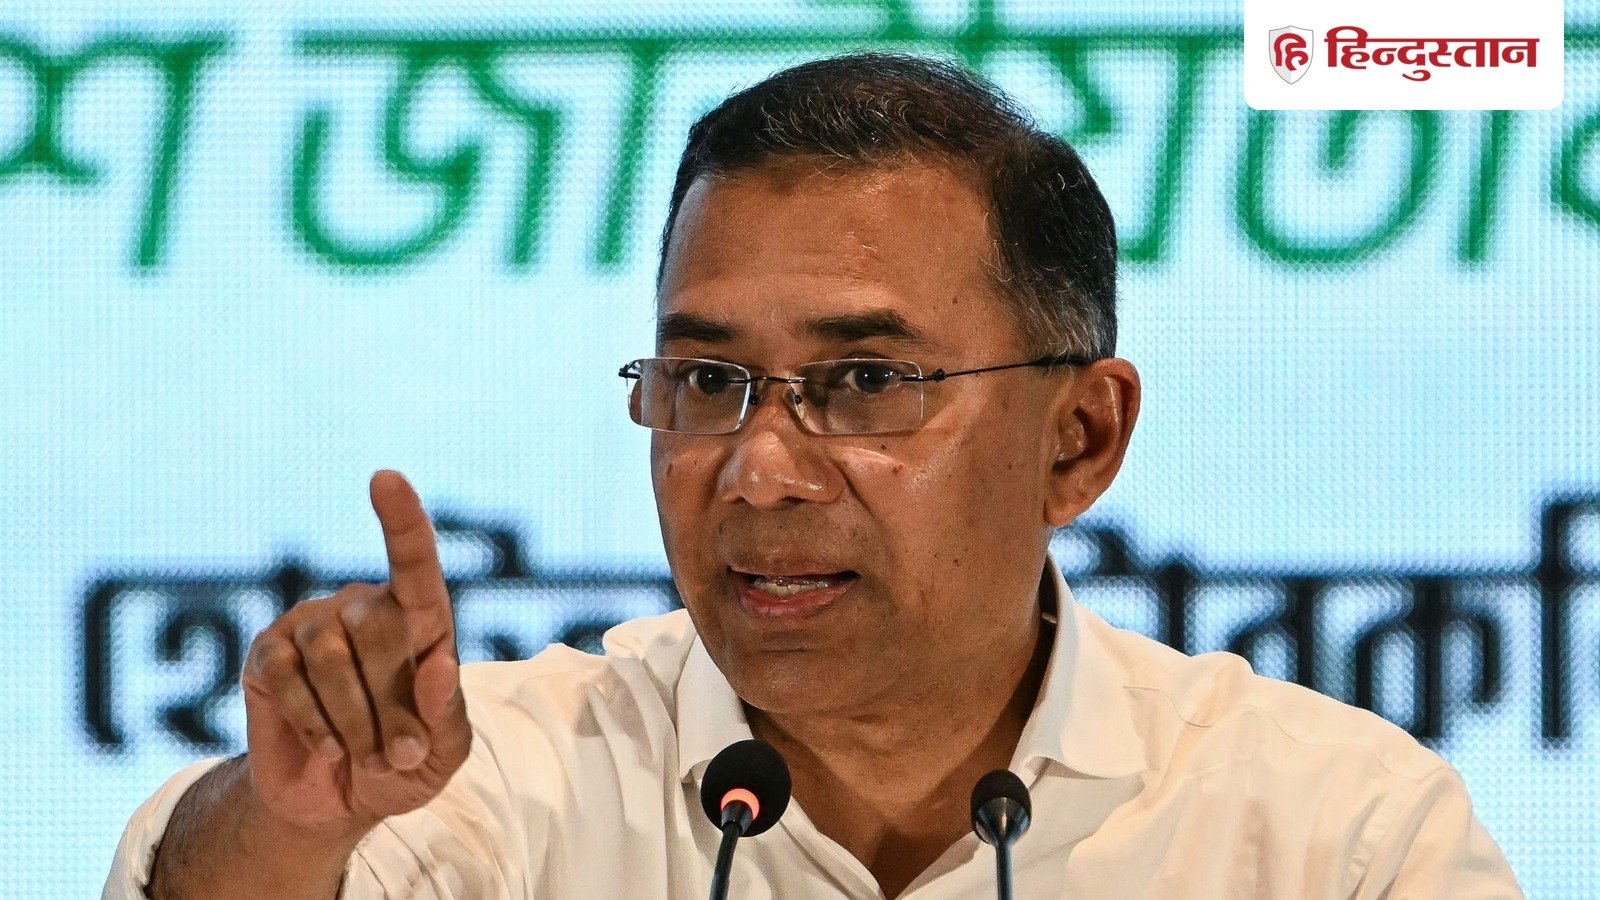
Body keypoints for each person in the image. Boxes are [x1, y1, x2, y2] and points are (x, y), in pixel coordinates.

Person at [106, 52, 1521, 899]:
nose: (760, 471)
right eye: (705, 382)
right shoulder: (498, 785)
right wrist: (290, 823)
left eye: (866, 384)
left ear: (1079, 439)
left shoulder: (1331, 834)